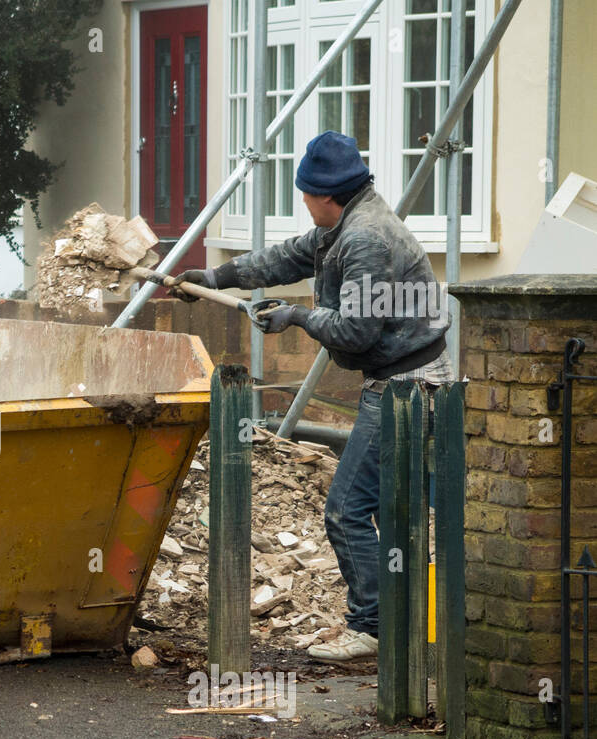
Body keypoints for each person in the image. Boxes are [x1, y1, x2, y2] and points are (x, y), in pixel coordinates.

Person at [165, 130, 453, 661]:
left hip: (408, 386)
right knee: (399, 509)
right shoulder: (347, 219)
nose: (302, 203)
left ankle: (373, 627)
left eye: (304, 195)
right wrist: (216, 276)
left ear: (328, 196)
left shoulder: (366, 239)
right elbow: (288, 258)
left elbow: (355, 333)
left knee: (346, 509)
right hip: (400, 378)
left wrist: (296, 315)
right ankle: (404, 624)